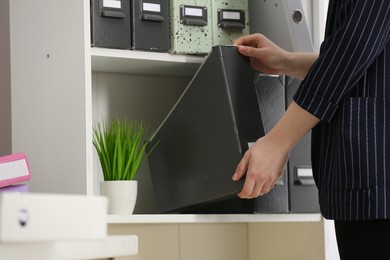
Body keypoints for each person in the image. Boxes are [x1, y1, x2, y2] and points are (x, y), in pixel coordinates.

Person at [231, 1, 390, 259]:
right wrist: (286, 62)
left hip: (376, 179)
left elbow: (355, 46)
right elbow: (371, 56)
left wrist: (278, 141)